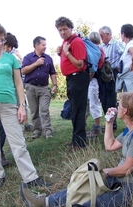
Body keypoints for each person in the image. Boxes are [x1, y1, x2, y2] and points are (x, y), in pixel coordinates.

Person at [20, 91, 133, 207]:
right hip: (122, 179)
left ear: (125, 111)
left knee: (97, 203)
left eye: (119, 105)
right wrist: (109, 123)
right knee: (84, 184)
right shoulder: (131, 129)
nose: (117, 107)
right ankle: (42, 202)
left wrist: (105, 172)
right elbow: (110, 145)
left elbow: (127, 169)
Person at [0, 23, 49, 188]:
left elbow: (19, 84)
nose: (0, 43)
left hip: (9, 104)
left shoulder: (11, 59)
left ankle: (31, 177)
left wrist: (22, 105)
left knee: (18, 141)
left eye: (2, 40)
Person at [55, 16, 89, 151]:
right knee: (74, 111)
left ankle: (80, 144)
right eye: (60, 30)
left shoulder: (76, 42)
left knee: (78, 111)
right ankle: (76, 140)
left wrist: (67, 52)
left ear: (71, 28)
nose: (62, 32)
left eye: (64, 29)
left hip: (78, 78)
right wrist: (61, 53)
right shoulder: (66, 42)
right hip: (72, 79)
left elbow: (80, 64)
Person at [22, 36, 57, 139]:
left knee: (44, 110)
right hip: (30, 87)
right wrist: (36, 64)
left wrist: (55, 84)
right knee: (34, 111)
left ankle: (48, 132)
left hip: (44, 88)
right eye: (43, 45)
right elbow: (23, 70)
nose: (45, 47)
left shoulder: (48, 58)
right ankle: (37, 130)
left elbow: (53, 73)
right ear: (36, 45)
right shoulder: (28, 57)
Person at [99, 26, 125, 130]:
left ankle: (112, 123)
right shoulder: (102, 46)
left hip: (112, 74)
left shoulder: (116, 44)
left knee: (110, 99)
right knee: (103, 98)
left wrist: (120, 68)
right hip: (103, 74)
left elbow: (125, 55)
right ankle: (109, 120)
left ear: (108, 34)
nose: (101, 38)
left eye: (102, 35)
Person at [86, 31, 105, 138]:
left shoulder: (95, 50)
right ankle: (96, 126)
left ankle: (97, 127)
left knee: (94, 103)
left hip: (93, 80)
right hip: (98, 80)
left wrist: (87, 79)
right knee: (94, 103)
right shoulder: (101, 49)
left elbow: (93, 67)